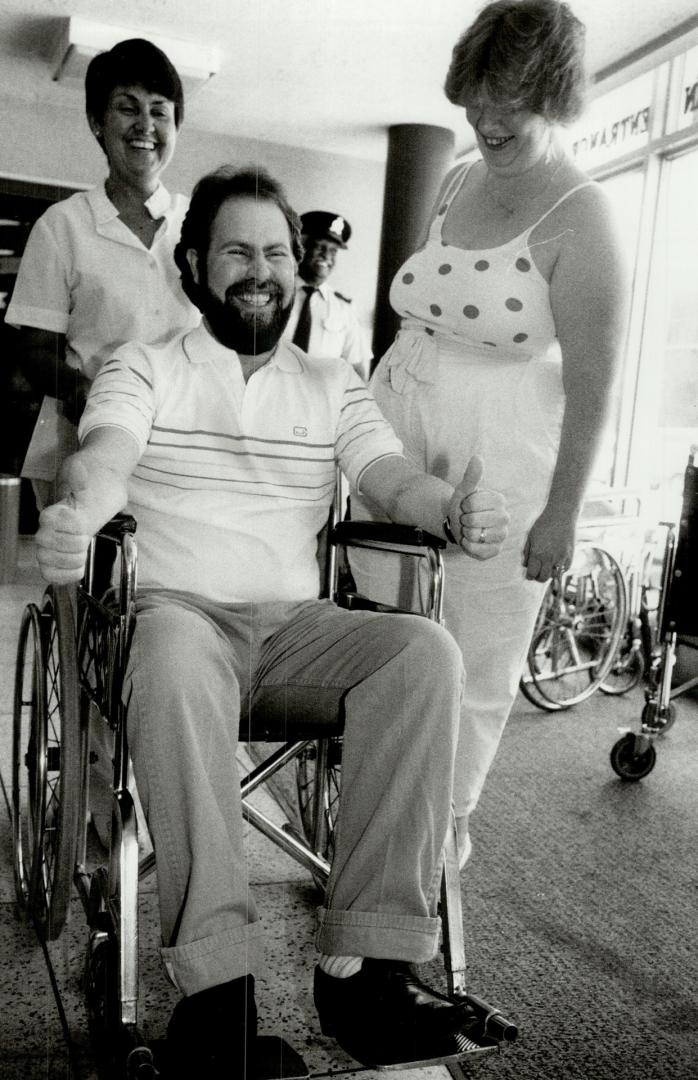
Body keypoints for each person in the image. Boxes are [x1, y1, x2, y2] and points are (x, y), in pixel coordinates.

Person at [35, 165, 510, 1076]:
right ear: (193, 265)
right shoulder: (143, 365)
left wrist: (448, 510)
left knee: (424, 655)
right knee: (171, 647)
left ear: (302, 271)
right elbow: (105, 455)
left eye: (278, 252)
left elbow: (387, 479)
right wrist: (77, 512)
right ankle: (219, 998)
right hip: (179, 618)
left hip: (299, 627)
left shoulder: (334, 382)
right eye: (237, 251)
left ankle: (366, 970)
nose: (262, 269)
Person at [350, 0, 629, 866]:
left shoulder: (585, 218)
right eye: (476, 97)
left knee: (473, 666)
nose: (487, 118)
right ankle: (367, 823)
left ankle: (434, 847)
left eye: (510, 99)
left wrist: (563, 516)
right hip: (399, 439)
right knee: (382, 642)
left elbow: (592, 387)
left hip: (502, 466)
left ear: (558, 97)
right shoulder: (459, 176)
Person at [5, 37, 199, 507]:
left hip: (184, 448)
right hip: (81, 438)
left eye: (159, 110)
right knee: (84, 573)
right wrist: (87, 392)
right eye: (127, 108)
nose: (146, 126)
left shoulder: (199, 224)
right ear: (97, 123)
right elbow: (34, 349)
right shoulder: (63, 225)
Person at [283, 210, 372, 379]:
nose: (327, 256)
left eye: (333, 251)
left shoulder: (343, 309)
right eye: (319, 247)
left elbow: (357, 372)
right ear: (301, 247)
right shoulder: (274, 295)